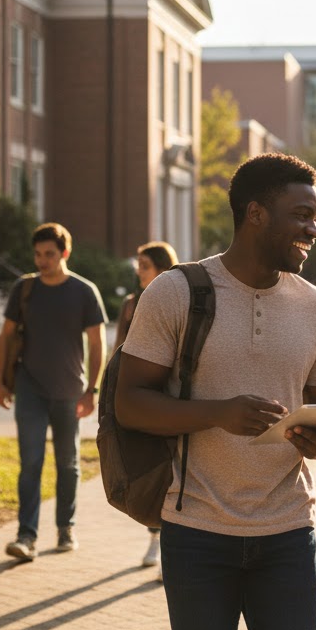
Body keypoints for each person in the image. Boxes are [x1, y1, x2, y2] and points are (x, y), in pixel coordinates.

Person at [115, 153, 316, 630]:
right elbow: (129, 402)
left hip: (289, 532)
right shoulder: (176, 291)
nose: (313, 230)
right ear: (254, 214)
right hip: (196, 532)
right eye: (302, 216)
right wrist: (218, 412)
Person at [0, 222, 108, 561]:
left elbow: (97, 343)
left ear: (65, 253)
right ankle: (26, 536)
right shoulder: (24, 289)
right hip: (29, 386)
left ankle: (65, 527)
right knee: (30, 462)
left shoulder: (84, 291)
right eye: (38, 254)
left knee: (68, 463)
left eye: (49, 254)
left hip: (70, 388)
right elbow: (6, 336)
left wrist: (92, 390)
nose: (42, 261)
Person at [113, 240, 179, 576]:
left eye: (144, 265)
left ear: (162, 268)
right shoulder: (131, 303)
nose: (139, 271)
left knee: (172, 474)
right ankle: (155, 538)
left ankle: (170, 547)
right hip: (138, 404)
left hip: (170, 403)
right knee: (150, 473)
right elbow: (118, 352)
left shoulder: (179, 300)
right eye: (138, 264)